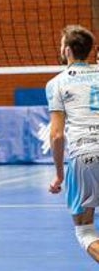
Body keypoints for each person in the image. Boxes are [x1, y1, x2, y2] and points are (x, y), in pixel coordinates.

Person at [47, 25, 99, 263]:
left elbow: (57, 135)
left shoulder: (57, 83)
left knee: (85, 231)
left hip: (85, 155)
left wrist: (59, 175)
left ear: (67, 51)